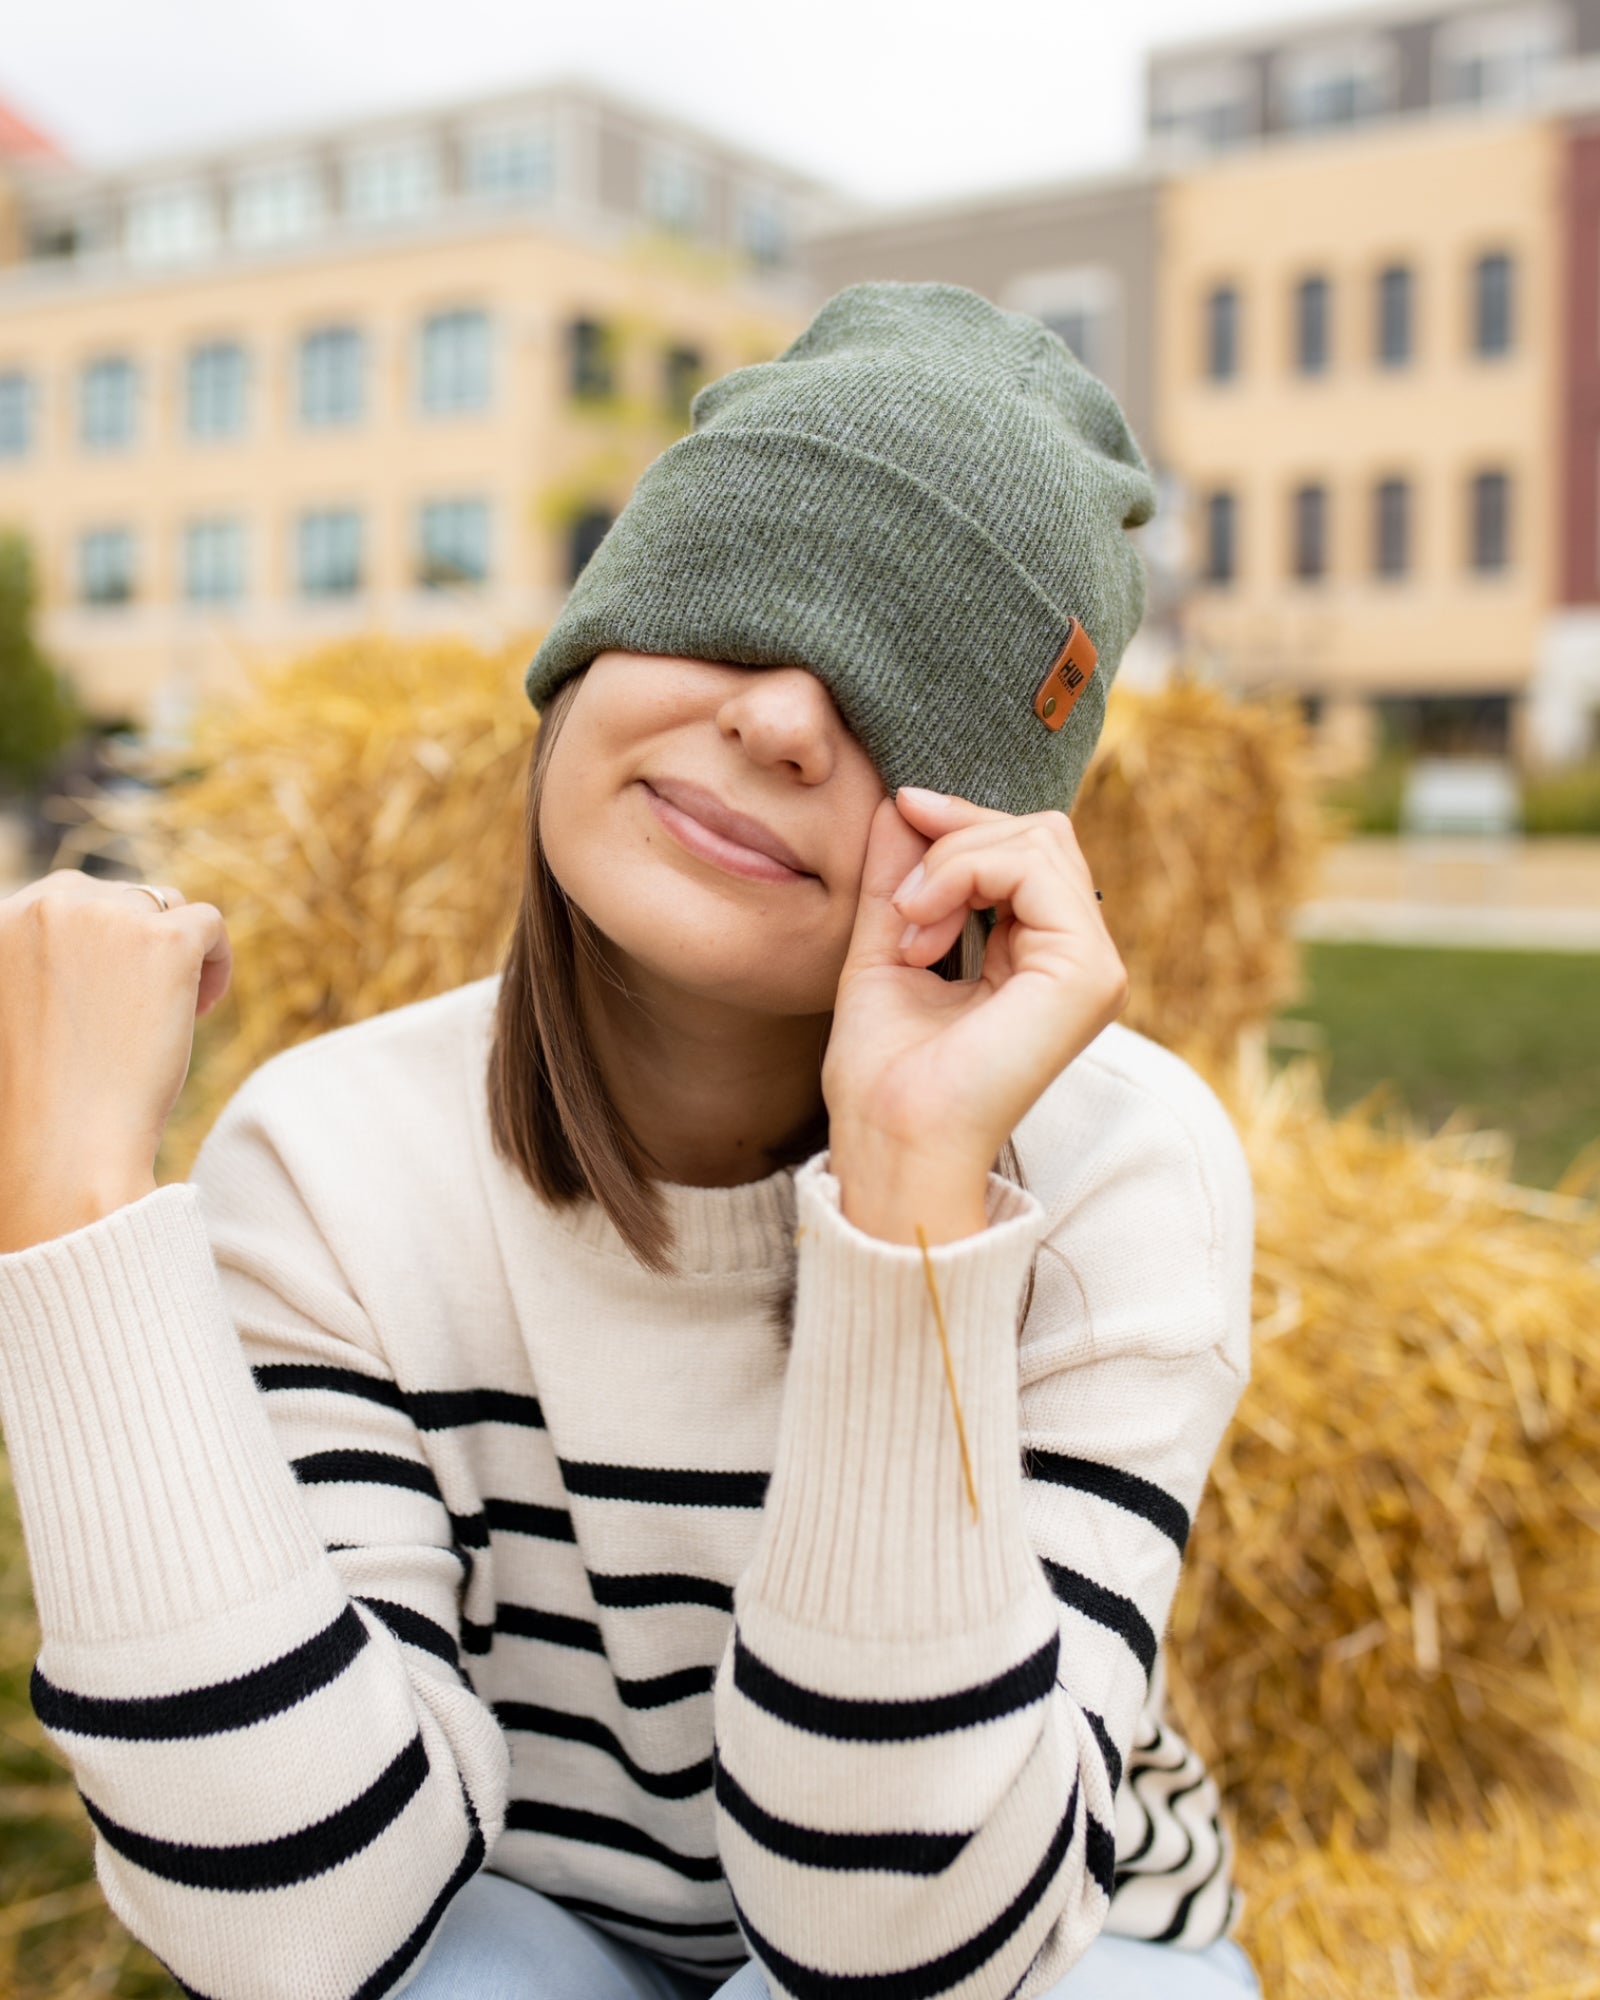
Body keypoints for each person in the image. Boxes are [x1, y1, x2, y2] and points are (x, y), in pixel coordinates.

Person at [0, 283, 1259, 2000]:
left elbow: (907, 1955)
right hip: (532, 1922)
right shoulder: (331, 1156)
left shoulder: (1118, 1169)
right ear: (590, 646)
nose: (782, 721)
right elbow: (293, 1928)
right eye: (734, 601)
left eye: (910, 686)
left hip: (1042, 1951)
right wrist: (70, 1208)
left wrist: (907, 1205)